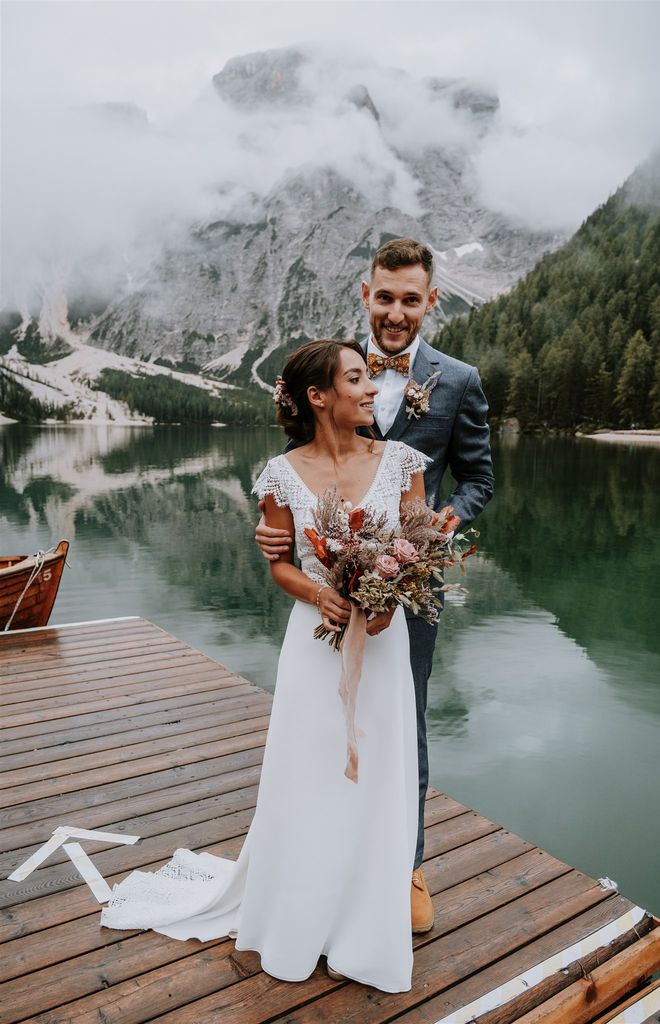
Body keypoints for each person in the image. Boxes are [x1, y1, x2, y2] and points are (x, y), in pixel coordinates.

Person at [101, 338, 430, 993]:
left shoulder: (401, 462)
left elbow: (421, 546)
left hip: (385, 647)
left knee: (377, 779)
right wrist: (322, 594)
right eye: (357, 380)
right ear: (317, 397)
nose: (372, 391)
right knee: (310, 778)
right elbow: (279, 564)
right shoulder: (281, 475)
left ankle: (366, 926)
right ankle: (300, 916)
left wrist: (394, 594)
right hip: (315, 644)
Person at [256, 238, 494, 934]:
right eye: (384, 297)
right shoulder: (332, 369)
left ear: (429, 303)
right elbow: (297, 472)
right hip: (327, 584)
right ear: (366, 295)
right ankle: (325, 856)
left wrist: (429, 536)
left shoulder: (458, 381)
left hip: (406, 588)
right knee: (322, 721)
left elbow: (477, 478)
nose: (395, 313)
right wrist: (274, 537)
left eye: (409, 300)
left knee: (403, 720)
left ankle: (405, 864)